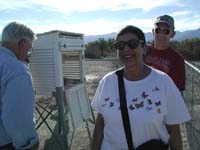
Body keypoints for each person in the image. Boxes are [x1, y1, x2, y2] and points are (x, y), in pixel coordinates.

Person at [91, 25, 190, 150]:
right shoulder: (107, 81)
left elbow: (174, 131)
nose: (126, 49)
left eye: (132, 44)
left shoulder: (163, 82)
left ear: (143, 48)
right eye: (120, 45)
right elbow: (100, 122)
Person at [0, 22, 39, 150]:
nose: (28, 55)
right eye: (29, 49)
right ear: (22, 44)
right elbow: (17, 119)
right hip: (6, 142)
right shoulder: (17, 71)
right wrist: (29, 143)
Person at [144, 15, 185, 92]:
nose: (161, 34)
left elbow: (176, 90)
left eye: (166, 31)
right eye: (158, 30)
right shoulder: (143, 51)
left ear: (172, 34)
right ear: (153, 32)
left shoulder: (177, 60)